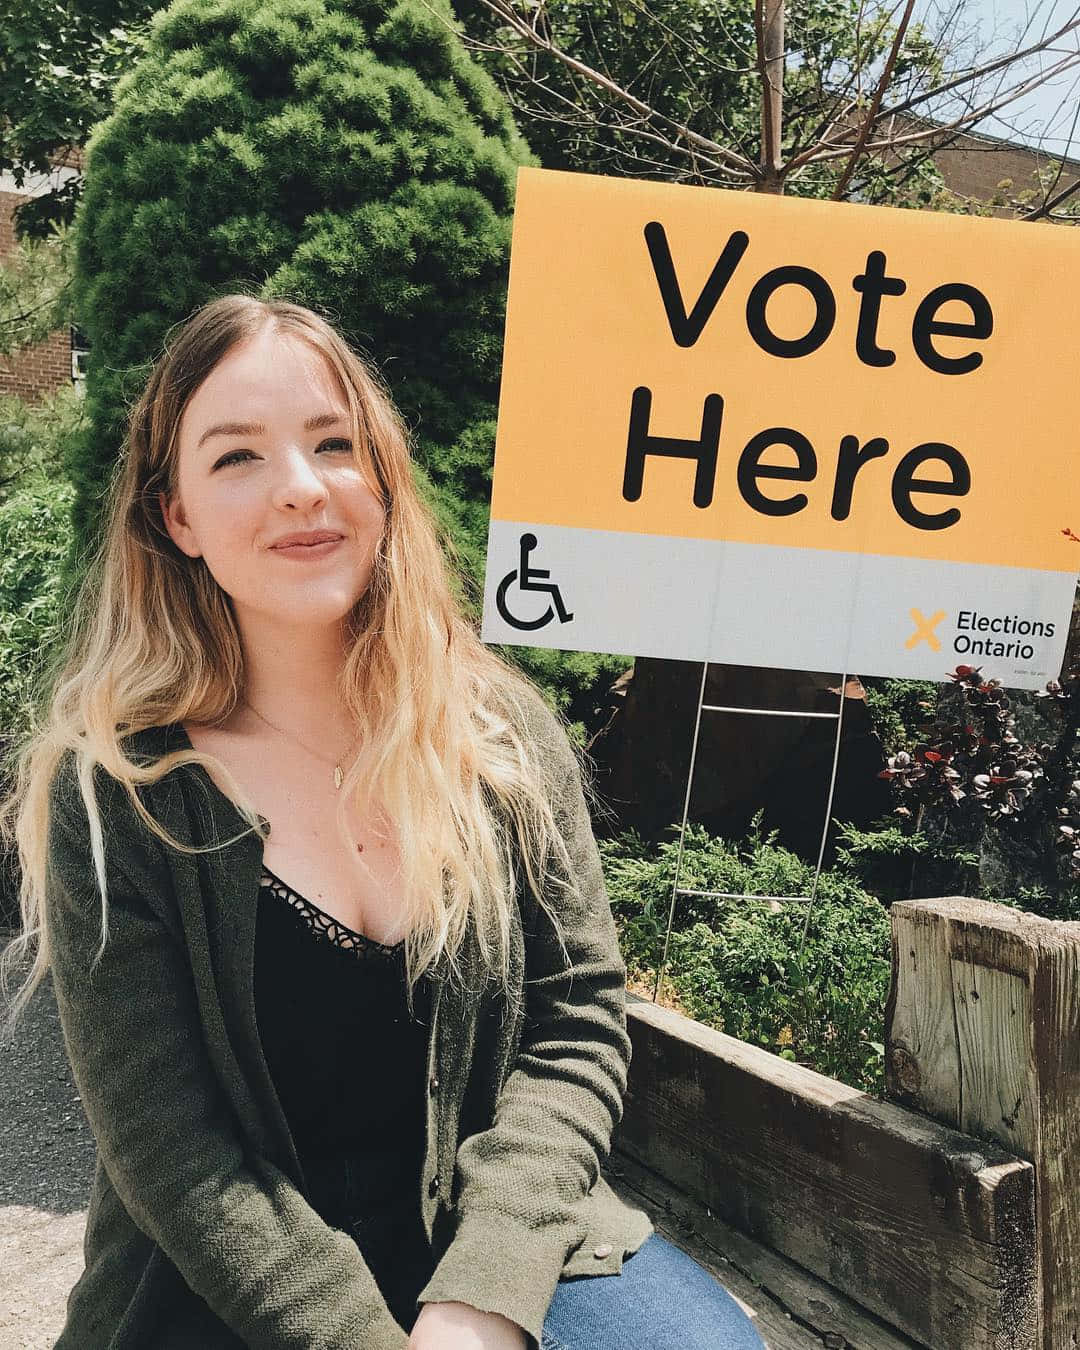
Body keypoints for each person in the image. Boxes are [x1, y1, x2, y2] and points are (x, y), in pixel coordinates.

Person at [0, 294, 767, 1349]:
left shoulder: (496, 736)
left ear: (383, 476)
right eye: (236, 459)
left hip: (492, 1240)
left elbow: (576, 1019)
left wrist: (486, 1293)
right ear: (173, 516)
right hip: (229, 1290)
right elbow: (175, 1152)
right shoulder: (117, 798)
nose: (303, 488)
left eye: (333, 443)